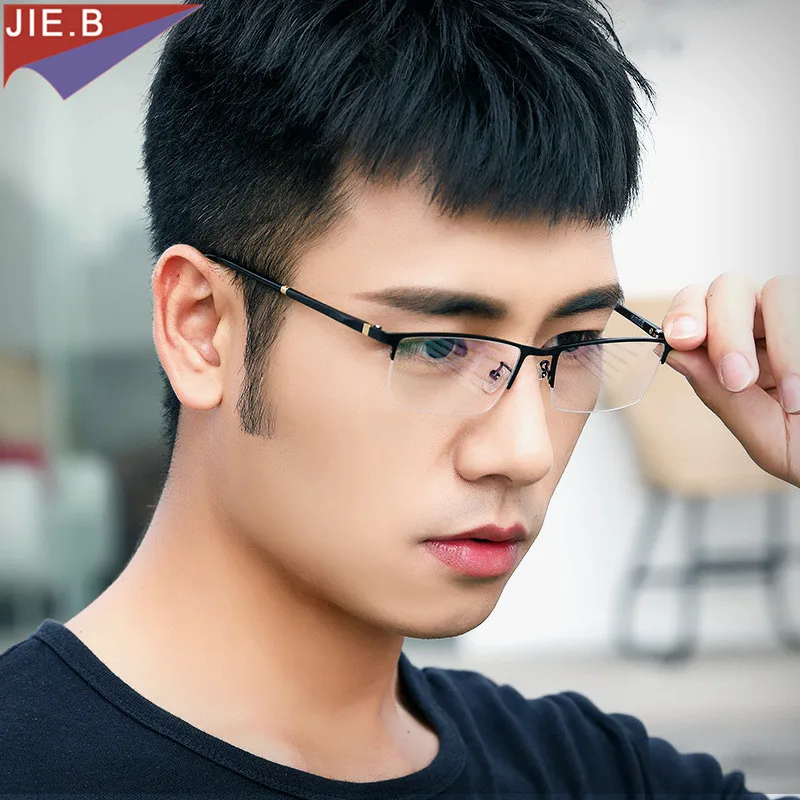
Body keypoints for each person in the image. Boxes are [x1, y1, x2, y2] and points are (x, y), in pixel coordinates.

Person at [1, 0, 798, 795]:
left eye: (572, 345)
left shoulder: (595, 774)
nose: (524, 450)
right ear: (201, 327)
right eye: (438, 346)